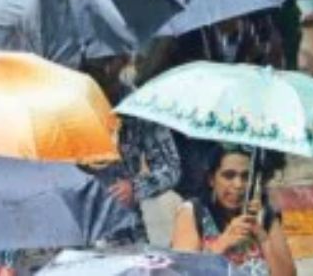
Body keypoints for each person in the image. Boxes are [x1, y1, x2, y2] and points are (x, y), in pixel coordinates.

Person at [86, 57, 179, 238]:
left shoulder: (139, 105)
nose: (106, 69)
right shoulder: (62, 103)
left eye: (111, 61)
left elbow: (170, 167)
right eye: (98, 63)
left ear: (123, 60)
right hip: (70, 225)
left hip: (124, 227)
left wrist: (135, 188)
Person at [170, 145, 297, 276]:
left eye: (246, 176)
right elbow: (182, 270)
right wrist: (222, 243)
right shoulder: (193, 212)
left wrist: (262, 237)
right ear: (211, 179)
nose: (238, 184)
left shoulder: (263, 215)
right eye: (229, 175)